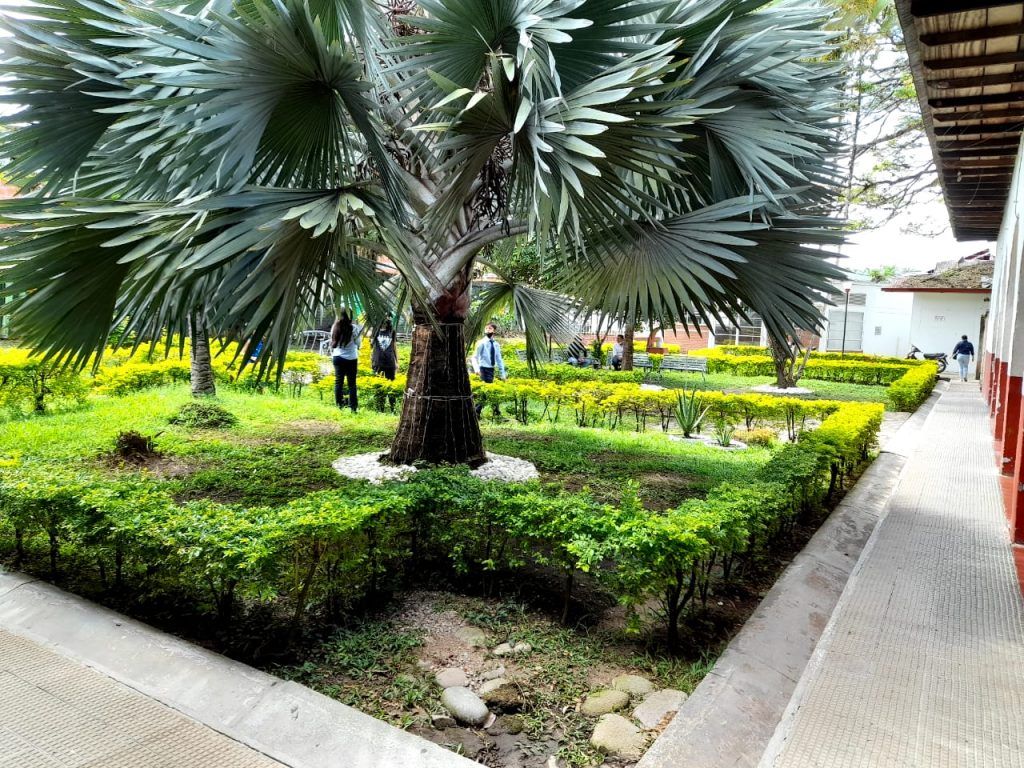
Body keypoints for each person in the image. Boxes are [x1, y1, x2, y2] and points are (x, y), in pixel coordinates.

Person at [331, 312, 362, 411]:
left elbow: (332, 340)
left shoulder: (335, 327)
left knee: (338, 382)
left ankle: (339, 405)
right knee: (352, 384)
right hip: (351, 359)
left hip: (338, 357)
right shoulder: (354, 328)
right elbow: (358, 344)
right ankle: (353, 408)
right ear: (350, 317)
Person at [474, 323, 506, 416]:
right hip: (483, 369)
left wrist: (502, 374)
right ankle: (477, 412)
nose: (488, 330)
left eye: (490, 328)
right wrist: (476, 369)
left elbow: (499, 359)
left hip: (491, 369)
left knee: (490, 390)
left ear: (494, 331)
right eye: (486, 328)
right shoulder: (481, 343)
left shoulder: (496, 344)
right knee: (486, 391)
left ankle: (494, 412)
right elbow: (474, 357)